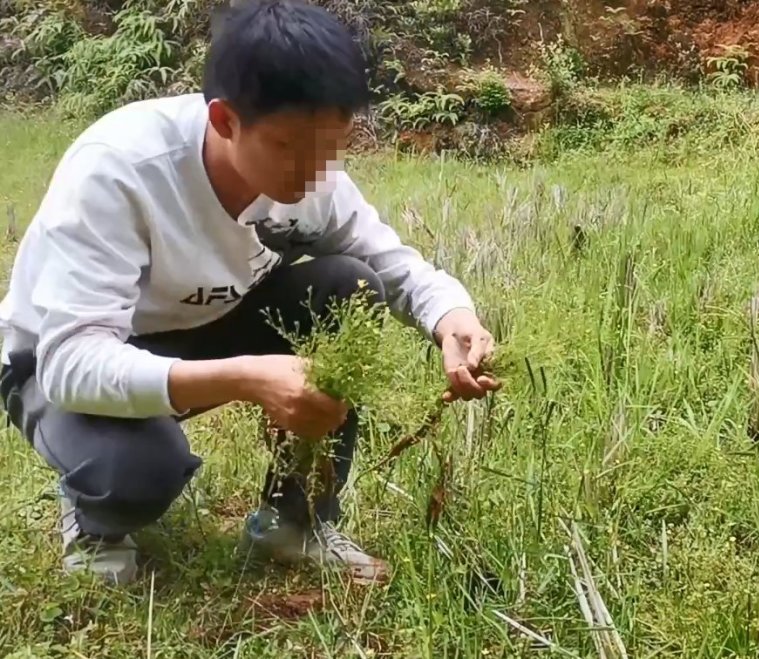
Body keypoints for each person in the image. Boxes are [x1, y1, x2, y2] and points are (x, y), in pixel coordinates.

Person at [0, 0, 500, 587]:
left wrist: (452, 317)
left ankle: (294, 522)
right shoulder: (119, 172)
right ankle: (97, 520)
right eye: (290, 148)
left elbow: (391, 265)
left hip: (201, 329)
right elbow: (70, 362)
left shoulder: (313, 173)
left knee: (349, 286)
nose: (314, 173)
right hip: (56, 359)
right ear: (224, 121)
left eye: (331, 146)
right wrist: (250, 376)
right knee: (137, 468)